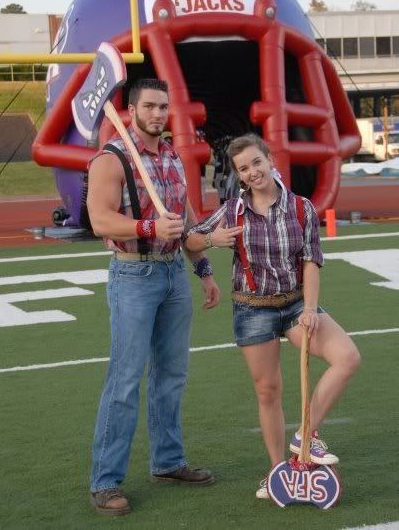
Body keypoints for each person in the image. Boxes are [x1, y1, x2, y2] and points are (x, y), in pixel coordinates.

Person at [184, 133, 361, 500]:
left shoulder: (301, 208)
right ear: (238, 174)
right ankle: (279, 472)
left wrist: (310, 308)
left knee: (347, 357)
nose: (252, 172)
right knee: (268, 391)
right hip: (253, 308)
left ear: (269, 159)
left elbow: (311, 261)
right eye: (243, 168)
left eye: (256, 162)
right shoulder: (232, 210)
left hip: (295, 304)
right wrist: (213, 241)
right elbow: (190, 240)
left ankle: (306, 434)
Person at [86, 78, 221, 516]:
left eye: (163, 107)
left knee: (172, 375)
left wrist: (203, 270)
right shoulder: (111, 158)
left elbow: (185, 220)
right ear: (131, 110)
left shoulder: (172, 157)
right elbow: (100, 220)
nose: (158, 113)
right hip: (134, 274)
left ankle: (167, 461)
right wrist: (147, 227)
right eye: (149, 106)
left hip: (173, 273)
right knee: (125, 380)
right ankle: (105, 481)